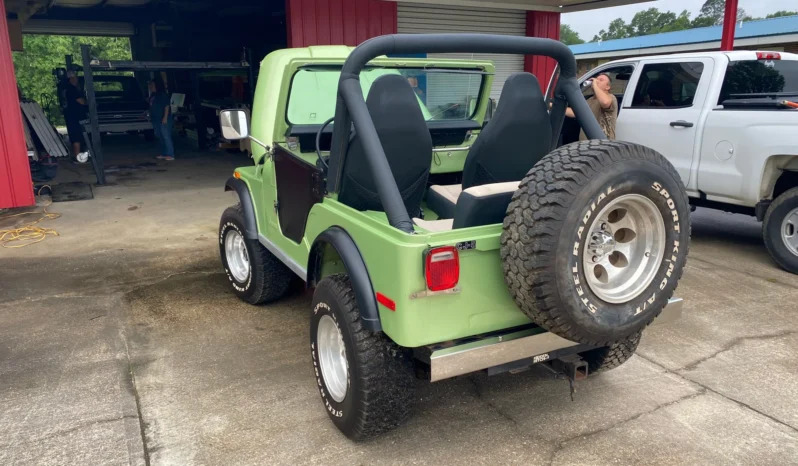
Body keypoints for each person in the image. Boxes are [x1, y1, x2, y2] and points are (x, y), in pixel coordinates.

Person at [566, 73, 618, 140]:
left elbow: (605, 103)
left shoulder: (611, 97)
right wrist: (552, 105)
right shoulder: (590, 100)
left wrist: (595, 84)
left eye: (601, 80)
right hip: (585, 144)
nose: (596, 81)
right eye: (596, 79)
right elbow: (576, 112)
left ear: (607, 87)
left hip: (602, 144)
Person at [64, 71, 89, 162]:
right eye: (75, 78)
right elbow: (81, 101)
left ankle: (80, 156)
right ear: (70, 79)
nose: (77, 80)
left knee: (78, 136)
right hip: (75, 117)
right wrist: (88, 102)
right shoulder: (72, 90)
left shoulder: (67, 89)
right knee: (77, 137)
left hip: (72, 116)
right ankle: (78, 158)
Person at [149, 79, 175, 161]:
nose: (150, 86)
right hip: (155, 119)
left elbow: (166, 106)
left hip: (163, 118)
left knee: (166, 136)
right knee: (159, 136)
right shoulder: (153, 95)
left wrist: (165, 117)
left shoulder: (162, 95)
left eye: (152, 85)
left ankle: (170, 154)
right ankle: (164, 153)